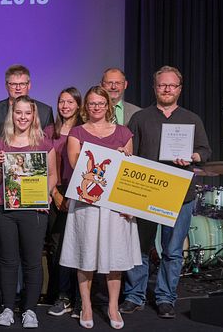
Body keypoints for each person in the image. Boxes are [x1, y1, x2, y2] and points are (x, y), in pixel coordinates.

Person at [120, 66, 211, 319]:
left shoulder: (192, 119)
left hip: (181, 194)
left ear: (179, 89)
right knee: (139, 246)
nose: (167, 89)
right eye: (162, 85)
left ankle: (165, 298)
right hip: (146, 192)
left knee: (171, 251)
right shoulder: (139, 118)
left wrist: (194, 156)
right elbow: (131, 156)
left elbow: (205, 151)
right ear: (155, 88)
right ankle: (134, 295)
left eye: (172, 85)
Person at [59, 86, 141, 329]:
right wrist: (109, 158)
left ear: (108, 106)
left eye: (100, 103)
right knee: (86, 255)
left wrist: (121, 160)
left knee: (115, 257)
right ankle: (85, 305)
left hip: (115, 205)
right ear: (86, 107)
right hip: (87, 203)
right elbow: (76, 164)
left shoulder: (124, 133)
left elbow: (127, 171)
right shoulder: (76, 132)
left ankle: (113, 306)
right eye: (92, 103)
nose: (96, 107)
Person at [0, 64, 54, 308]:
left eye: (22, 84)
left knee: (32, 257)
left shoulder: (45, 111)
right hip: (5, 201)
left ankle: (30, 303)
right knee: (4, 253)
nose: (17, 87)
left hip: (34, 204)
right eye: (13, 84)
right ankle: (3, 298)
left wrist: (47, 195)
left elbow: (49, 168)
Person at [0, 95, 57, 328]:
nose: (23, 117)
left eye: (27, 113)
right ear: (12, 114)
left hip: (35, 211)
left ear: (34, 115)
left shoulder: (44, 143)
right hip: (6, 209)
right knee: (8, 261)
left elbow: (53, 176)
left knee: (32, 263)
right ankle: (8, 308)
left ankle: (29, 310)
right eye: (19, 112)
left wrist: (44, 195)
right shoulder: (1, 144)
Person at [44, 87, 84, 317]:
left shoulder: (84, 131)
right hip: (54, 193)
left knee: (80, 246)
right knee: (58, 247)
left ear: (79, 105)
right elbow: (43, 167)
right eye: (61, 102)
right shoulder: (49, 131)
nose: (65, 106)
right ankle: (62, 296)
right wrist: (56, 194)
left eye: (70, 102)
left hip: (79, 193)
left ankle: (81, 298)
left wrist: (73, 195)